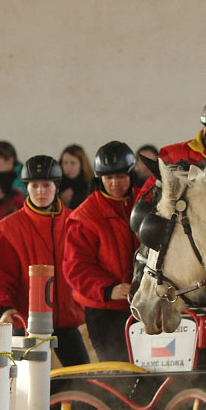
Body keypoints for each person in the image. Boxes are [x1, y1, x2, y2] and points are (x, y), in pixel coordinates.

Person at [0, 155, 88, 367]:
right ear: (26, 188)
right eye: (35, 185)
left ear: (56, 187)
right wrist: (3, 308)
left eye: (46, 185)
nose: (41, 191)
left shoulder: (75, 222)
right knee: (29, 391)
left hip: (66, 323)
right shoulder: (11, 228)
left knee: (83, 382)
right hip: (26, 326)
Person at [63, 141, 138, 363]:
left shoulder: (145, 204)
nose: (115, 183)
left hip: (143, 305)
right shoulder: (85, 216)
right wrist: (107, 289)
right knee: (119, 370)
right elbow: (75, 267)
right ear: (99, 179)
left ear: (131, 175)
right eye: (108, 177)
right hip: (106, 309)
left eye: (121, 176)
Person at [58, 144, 94, 209]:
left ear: (82, 165)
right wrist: (60, 200)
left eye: (73, 163)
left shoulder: (91, 185)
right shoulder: (55, 184)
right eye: (65, 163)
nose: (68, 167)